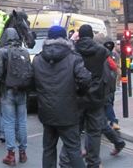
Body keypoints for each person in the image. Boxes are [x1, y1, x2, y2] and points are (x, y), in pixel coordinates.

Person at [32, 26, 91, 168]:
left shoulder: (38, 59)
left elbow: (31, 82)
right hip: (68, 111)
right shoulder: (73, 57)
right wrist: (78, 93)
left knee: (48, 149)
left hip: (46, 111)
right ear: (64, 39)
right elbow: (85, 80)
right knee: (73, 149)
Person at [0, 28, 31, 166]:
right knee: (22, 122)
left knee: (9, 123)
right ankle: (23, 153)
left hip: (7, 91)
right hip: (22, 91)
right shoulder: (25, 52)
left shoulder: (2, 51)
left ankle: (10, 155)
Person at [74, 24, 109, 168]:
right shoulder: (101, 50)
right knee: (94, 132)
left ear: (80, 36)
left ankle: (74, 160)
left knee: (75, 131)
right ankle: (93, 162)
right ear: (91, 35)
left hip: (78, 95)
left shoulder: (74, 50)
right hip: (95, 96)